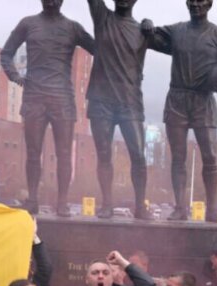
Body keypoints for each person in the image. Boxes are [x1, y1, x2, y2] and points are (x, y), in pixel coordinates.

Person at [143, 0, 217, 222]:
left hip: (203, 101)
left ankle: (212, 209)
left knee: (210, 157)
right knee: (178, 158)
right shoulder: (177, 30)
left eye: (200, 1)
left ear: (209, 4)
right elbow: (149, 36)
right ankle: (180, 207)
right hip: (177, 100)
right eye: (192, 1)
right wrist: (147, 24)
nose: (195, 5)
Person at [1, 0, 95, 216]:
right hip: (35, 96)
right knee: (33, 153)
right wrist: (14, 76)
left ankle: (62, 203)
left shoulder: (73, 27)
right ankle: (32, 199)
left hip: (62, 97)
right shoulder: (28, 23)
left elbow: (100, 51)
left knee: (63, 154)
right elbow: (6, 53)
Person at [84, 0, 151, 219]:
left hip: (129, 102)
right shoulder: (103, 17)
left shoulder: (142, 30)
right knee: (104, 155)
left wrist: (150, 29)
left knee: (139, 156)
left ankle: (140, 206)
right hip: (101, 101)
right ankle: (106, 204)